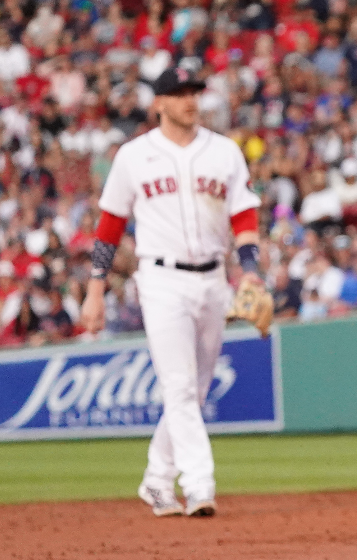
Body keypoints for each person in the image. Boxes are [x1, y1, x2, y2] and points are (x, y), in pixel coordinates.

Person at [79, 68, 262, 518]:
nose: (189, 101)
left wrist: (252, 273)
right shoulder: (134, 156)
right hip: (160, 279)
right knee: (178, 387)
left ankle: (156, 480)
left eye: (194, 92)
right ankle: (199, 485)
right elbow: (109, 227)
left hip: (213, 278)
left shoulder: (223, 151)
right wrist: (95, 288)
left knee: (194, 394)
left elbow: (243, 216)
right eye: (179, 94)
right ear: (158, 103)